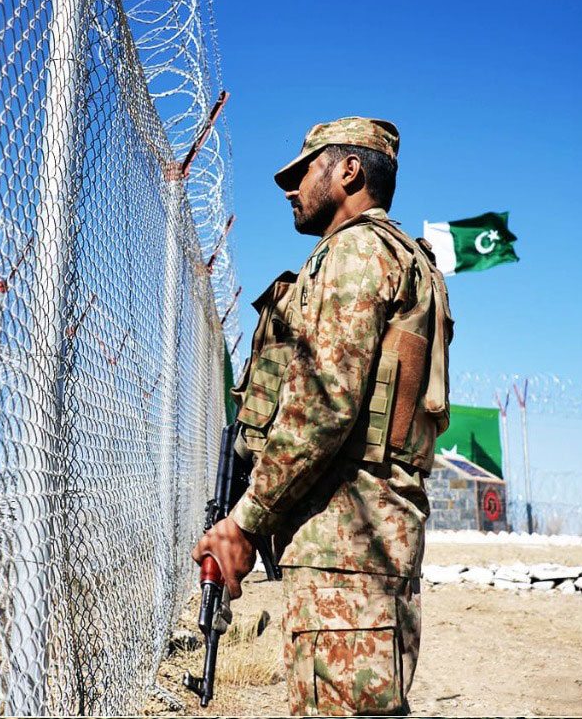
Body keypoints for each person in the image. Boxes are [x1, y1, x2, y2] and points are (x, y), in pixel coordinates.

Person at [191, 117, 453, 716]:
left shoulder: (357, 251)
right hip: (363, 542)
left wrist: (246, 522)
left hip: (348, 542)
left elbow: (323, 406)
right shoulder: (402, 258)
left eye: (303, 170)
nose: (290, 186)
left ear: (348, 171)